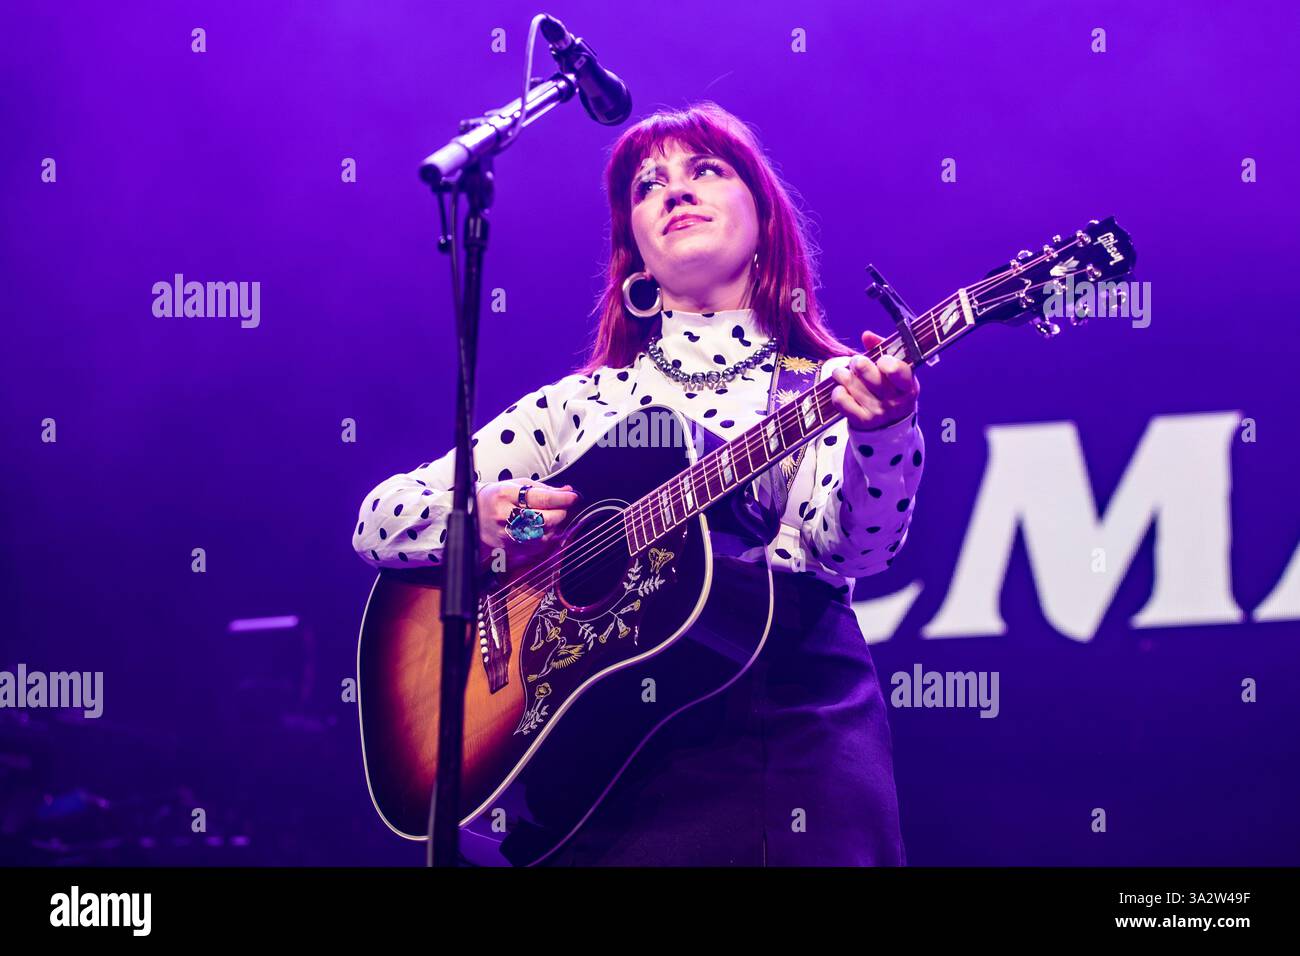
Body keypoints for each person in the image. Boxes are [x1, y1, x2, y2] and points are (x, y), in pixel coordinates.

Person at [353, 102, 923, 866]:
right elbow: (377, 521)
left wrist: (883, 434)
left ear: (764, 222)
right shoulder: (581, 405)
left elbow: (853, 550)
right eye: (649, 186)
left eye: (706, 171)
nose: (675, 192)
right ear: (637, 260)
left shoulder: (821, 389)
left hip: (784, 742)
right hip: (597, 778)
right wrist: (495, 522)